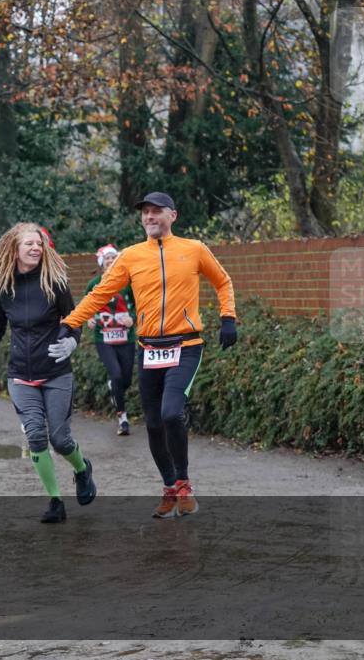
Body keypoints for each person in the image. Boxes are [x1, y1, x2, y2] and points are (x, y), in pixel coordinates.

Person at [60, 191, 237, 518]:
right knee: (153, 423)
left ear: (173, 215)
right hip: (149, 351)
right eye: (145, 213)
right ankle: (169, 487)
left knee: (171, 413)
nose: (149, 217)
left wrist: (228, 318)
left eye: (157, 211)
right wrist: (70, 323)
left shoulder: (194, 249)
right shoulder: (130, 256)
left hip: (185, 346)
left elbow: (223, 281)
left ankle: (184, 484)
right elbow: (101, 293)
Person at [0, 223, 96, 523]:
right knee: (37, 437)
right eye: (29, 243)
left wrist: (71, 343)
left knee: (60, 439)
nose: (36, 248)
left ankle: (82, 469)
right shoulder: (4, 287)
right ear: (15, 248)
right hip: (20, 376)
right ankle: (55, 501)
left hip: (56, 373)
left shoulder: (55, 282)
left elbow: (74, 319)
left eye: (39, 244)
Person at [85, 244, 137, 436]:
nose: (110, 261)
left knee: (126, 380)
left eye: (114, 257)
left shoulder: (128, 283)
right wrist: (89, 318)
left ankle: (114, 388)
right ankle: (122, 418)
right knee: (115, 375)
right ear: (102, 262)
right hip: (104, 338)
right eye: (107, 258)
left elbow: (139, 306)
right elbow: (86, 306)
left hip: (127, 338)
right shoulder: (94, 284)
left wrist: (132, 318)